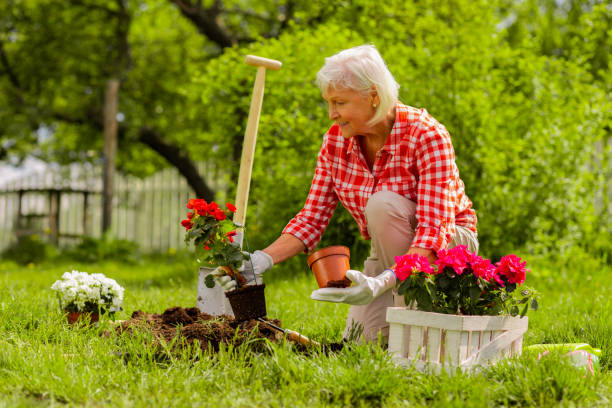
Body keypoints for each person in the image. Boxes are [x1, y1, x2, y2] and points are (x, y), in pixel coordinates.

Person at [216, 44, 478, 344]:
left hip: (447, 250)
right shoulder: (335, 144)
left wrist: (383, 281)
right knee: (358, 343)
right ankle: (407, 319)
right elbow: (311, 219)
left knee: (382, 204)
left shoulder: (426, 135)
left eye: (339, 102)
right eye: (329, 102)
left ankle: (425, 325)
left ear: (374, 96)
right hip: (389, 255)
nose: (331, 114)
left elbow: (433, 233)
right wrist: (261, 260)